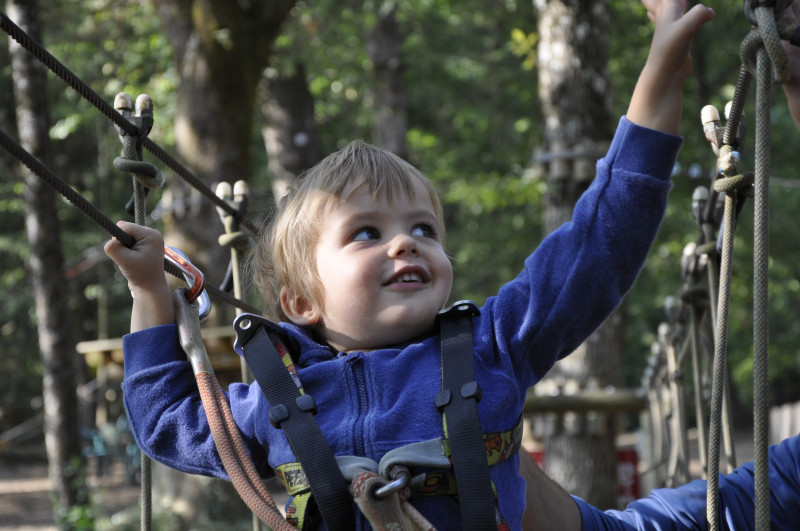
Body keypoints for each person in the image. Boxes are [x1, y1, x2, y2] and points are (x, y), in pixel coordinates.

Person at [104, 0, 714, 529]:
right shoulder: (275, 399)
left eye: (423, 229)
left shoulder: (493, 346)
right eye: (366, 233)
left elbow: (601, 244)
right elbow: (167, 421)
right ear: (300, 303)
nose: (406, 244)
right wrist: (151, 295)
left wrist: (660, 75)